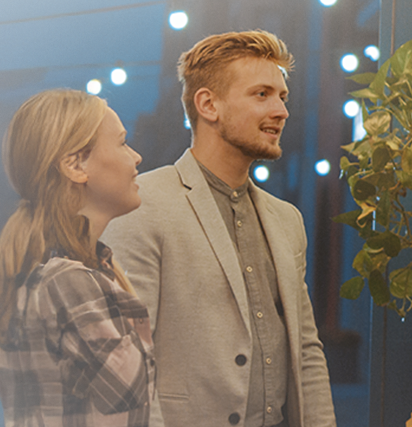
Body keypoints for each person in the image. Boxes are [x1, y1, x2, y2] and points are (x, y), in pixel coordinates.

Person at [102, 30, 336, 427]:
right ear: (208, 104)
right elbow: (126, 363)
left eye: (282, 96)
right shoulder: (141, 205)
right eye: (262, 94)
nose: (282, 111)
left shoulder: (287, 219)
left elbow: (306, 350)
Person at [0, 89, 155, 426]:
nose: (136, 156)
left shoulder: (45, 270)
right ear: (75, 165)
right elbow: (127, 394)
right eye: (122, 143)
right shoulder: (68, 281)